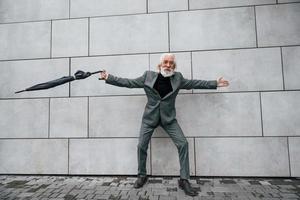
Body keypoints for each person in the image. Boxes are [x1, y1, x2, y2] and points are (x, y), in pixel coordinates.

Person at [100, 53, 229, 196]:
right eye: (166, 62)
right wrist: (109, 77)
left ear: (174, 66)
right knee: (141, 146)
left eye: (171, 63)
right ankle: (142, 175)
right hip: (149, 119)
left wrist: (215, 83)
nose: (168, 65)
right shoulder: (147, 76)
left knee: (183, 144)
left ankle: (184, 179)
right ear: (160, 64)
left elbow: (195, 83)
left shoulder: (178, 78)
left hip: (168, 119)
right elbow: (128, 83)